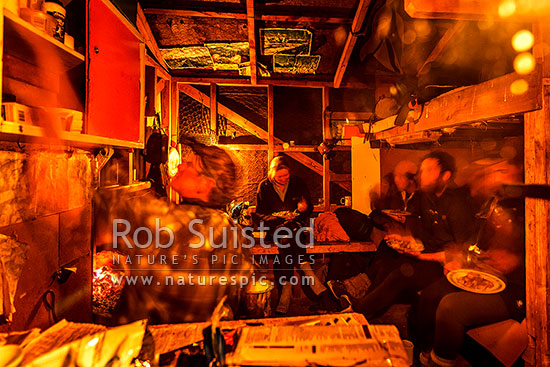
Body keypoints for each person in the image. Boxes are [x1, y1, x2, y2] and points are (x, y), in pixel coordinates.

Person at [97, 136, 253, 324]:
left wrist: (110, 153)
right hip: (196, 340)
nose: (180, 166)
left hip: (144, 341)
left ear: (205, 185)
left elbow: (113, 207)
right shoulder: (228, 228)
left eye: (189, 165)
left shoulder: (182, 220)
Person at [415, 158, 524, 367]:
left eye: (502, 171)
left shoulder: (532, 206)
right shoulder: (495, 203)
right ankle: (424, 353)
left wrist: (519, 261)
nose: (493, 177)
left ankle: (439, 363)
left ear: (520, 172)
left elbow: (525, 254)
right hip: (490, 275)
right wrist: (463, 261)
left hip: (519, 288)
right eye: (492, 172)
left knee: (450, 307)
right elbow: (478, 246)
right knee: (432, 293)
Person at [341, 151, 474, 320]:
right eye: (422, 170)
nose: (422, 175)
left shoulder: (457, 204)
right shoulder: (428, 197)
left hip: (447, 266)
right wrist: (407, 240)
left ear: (445, 175)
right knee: (387, 265)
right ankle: (366, 309)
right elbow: (425, 235)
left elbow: (462, 251)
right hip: (429, 255)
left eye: (429, 170)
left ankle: (358, 313)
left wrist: (421, 255)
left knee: (401, 274)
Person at [253, 156, 346, 314]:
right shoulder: (264, 186)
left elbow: (307, 207)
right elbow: (260, 213)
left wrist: (304, 208)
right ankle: (306, 270)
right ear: (271, 174)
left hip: (294, 225)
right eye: (280, 176)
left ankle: (286, 290)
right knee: (286, 236)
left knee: (288, 237)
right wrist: (277, 217)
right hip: (275, 226)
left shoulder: (298, 183)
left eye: (286, 175)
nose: (283, 179)